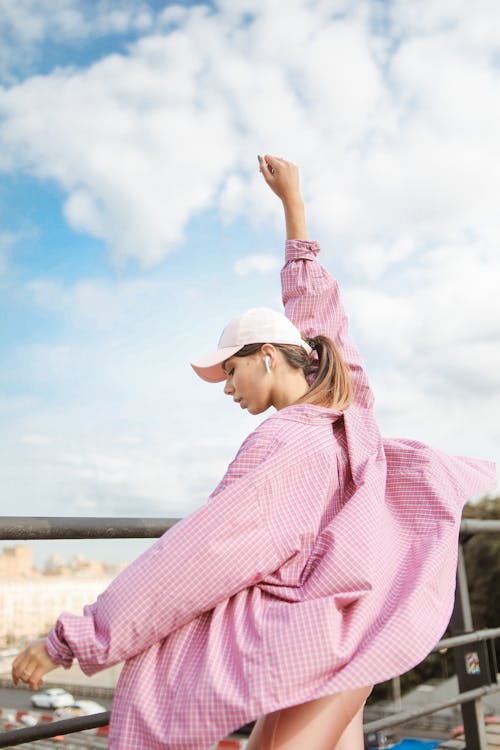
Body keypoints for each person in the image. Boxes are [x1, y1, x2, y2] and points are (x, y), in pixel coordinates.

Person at [12, 156, 496, 750]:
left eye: (231, 370)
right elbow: (322, 317)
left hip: (318, 644)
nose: (228, 388)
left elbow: (199, 556)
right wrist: (294, 207)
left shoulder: (285, 442)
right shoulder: (350, 411)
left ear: (268, 355)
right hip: (364, 633)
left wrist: (70, 641)